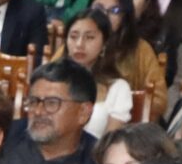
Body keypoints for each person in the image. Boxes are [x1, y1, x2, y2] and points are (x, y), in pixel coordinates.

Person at [88, 0, 167, 124]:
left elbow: (158, 101)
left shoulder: (140, 49)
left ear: (125, 16)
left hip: (123, 124)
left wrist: (124, 106)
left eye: (114, 10)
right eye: (98, 9)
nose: (104, 15)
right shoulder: (79, 42)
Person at [58, 10, 135, 139]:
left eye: (89, 37)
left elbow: (109, 142)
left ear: (105, 43)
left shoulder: (118, 88)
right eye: (73, 37)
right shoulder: (52, 80)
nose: (79, 44)